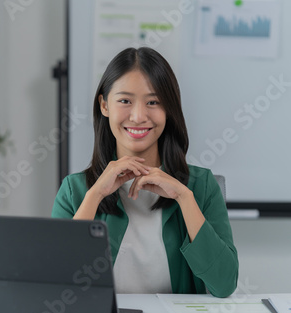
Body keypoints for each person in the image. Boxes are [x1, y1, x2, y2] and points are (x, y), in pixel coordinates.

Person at [51, 47, 238, 298]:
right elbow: (56, 284)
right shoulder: (76, 189)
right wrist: (95, 195)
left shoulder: (201, 186)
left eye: (153, 102)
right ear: (104, 105)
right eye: (125, 101)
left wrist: (184, 198)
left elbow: (224, 284)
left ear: (169, 109)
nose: (139, 116)